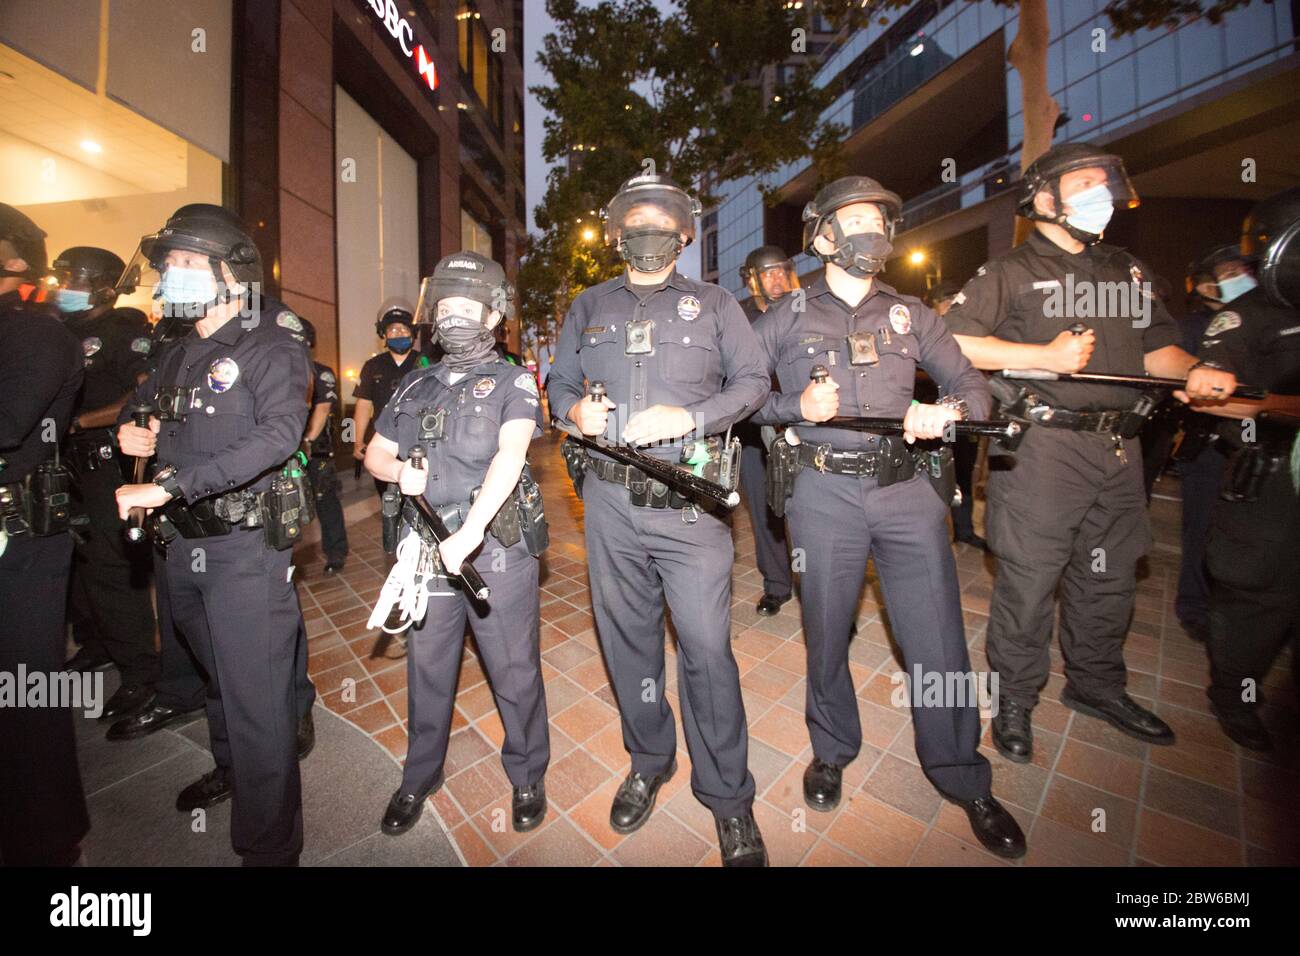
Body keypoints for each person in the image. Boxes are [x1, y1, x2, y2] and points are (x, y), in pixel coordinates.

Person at [752, 177, 1025, 858]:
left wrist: (949, 413)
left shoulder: (912, 315)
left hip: (907, 493)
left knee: (936, 635)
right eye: (856, 219)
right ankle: (833, 748)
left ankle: (962, 772)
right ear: (822, 237)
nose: (870, 228)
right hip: (821, 494)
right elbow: (743, 397)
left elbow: (974, 387)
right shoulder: (783, 317)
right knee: (825, 626)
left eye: (880, 217)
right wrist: (793, 411)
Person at [944, 143, 1238, 762]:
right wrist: (1042, 357)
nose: (1099, 192)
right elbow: (956, 345)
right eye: (1083, 183)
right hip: (1042, 449)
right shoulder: (1011, 271)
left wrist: (1197, 371)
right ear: (1045, 198)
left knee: (1109, 576)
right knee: (1029, 579)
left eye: (1105, 182)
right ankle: (1017, 699)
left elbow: (1159, 350)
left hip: (1119, 447)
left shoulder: (1126, 270)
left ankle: (1097, 686)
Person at [546, 173, 773, 866]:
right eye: (634, 220)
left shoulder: (714, 303)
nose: (647, 230)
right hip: (610, 506)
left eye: (660, 220)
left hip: (690, 503)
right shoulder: (590, 304)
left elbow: (756, 382)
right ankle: (649, 759)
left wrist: (692, 416)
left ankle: (729, 796)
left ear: (682, 234)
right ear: (617, 234)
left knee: (706, 649)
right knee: (628, 646)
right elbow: (557, 381)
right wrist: (573, 413)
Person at [113, 203, 315, 865]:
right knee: (219, 683)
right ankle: (232, 772)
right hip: (181, 549)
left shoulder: (271, 340)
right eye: (168, 264)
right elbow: (138, 410)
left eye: (189, 263)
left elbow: (280, 435)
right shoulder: (177, 351)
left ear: (233, 271)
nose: (173, 274)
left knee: (258, 701)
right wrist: (128, 433)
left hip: (245, 551)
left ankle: (269, 846)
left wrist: (169, 487)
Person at [365, 251, 550, 835]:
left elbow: (511, 453)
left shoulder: (514, 379)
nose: (454, 317)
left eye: (468, 307)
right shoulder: (413, 382)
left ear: (494, 316)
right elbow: (374, 452)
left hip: (491, 547)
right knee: (428, 666)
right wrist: (398, 475)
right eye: (445, 306)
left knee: (512, 666)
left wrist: (470, 532)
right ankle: (420, 773)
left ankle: (526, 773)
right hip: (425, 551)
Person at [1193, 188, 1300, 751]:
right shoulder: (1245, 318)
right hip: (1271, 474)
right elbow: (1210, 395)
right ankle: (1236, 696)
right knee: (1259, 597)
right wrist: (1282, 408)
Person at [0, 203, 89, 865]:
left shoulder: (35, 334)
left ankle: (47, 837)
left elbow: (9, 423)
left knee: (26, 687)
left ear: (13, 258)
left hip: (21, 535)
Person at [53, 247, 160, 720]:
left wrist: (77, 423)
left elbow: (142, 395)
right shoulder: (59, 331)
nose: (63, 286)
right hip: (66, 465)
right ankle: (97, 642)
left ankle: (141, 675)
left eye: (71, 278)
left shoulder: (125, 331)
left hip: (103, 461)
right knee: (79, 565)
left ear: (101, 284)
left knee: (111, 570)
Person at [1172, 244, 1256, 643]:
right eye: (1225, 273)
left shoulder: (1265, 319)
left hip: (1258, 446)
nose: (1236, 278)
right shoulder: (1194, 327)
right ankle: (1194, 606)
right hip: (1209, 442)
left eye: (1241, 270)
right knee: (1201, 529)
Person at [736, 245, 797, 616]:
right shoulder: (737, 317)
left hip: (802, 425)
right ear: (751, 279)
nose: (777, 279)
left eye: (782, 271)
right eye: (768, 272)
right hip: (752, 431)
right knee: (764, 511)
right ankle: (777, 584)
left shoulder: (803, 309)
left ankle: (822, 592)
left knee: (810, 511)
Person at [923, 280, 987, 550]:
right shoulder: (921, 334)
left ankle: (964, 530)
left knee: (962, 473)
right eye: (944, 300)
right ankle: (931, 534)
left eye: (953, 299)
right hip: (928, 423)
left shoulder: (967, 335)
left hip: (960, 421)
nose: (949, 305)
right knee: (931, 480)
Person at [352, 301, 429, 495]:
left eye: (404, 329)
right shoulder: (372, 366)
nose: (399, 333)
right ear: (383, 335)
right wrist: (358, 441)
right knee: (388, 503)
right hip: (384, 442)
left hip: (420, 442)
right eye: (393, 330)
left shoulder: (426, 362)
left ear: (413, 333)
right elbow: (363, 405)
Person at [298, 317, 348, 574]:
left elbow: (322, 408)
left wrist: (306, 441)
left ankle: (336, 553)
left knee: (325, 501)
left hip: (315, 451)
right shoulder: (278, 372)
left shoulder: (321, 372)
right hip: (281, 451)